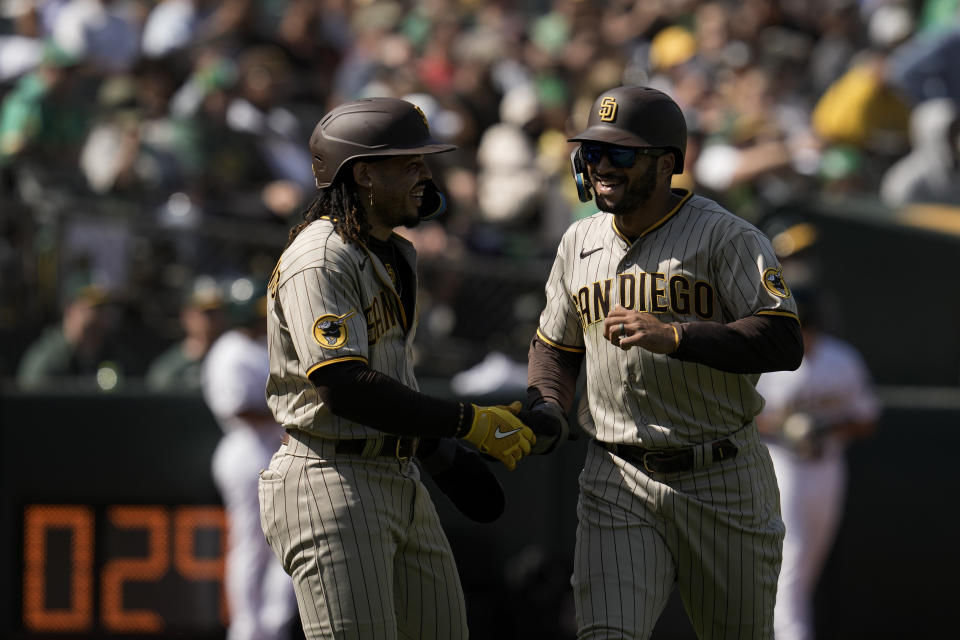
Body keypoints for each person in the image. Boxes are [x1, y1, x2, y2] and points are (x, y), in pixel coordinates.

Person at [520, 85, 804, 639]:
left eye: (621, 153)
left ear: (669, 162)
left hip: (720, 474)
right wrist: (549, 405)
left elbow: (781, 339)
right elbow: (554, 347)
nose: (602, 165)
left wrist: (676, 336)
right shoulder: (577, 241)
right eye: (592, 152)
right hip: (616, 476)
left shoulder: (726, 236)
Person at [257, 96, 536, 639]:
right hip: (330, 476)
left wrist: (439, 452)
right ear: (362, 174)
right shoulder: (320, 257)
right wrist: (465, 421)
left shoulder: (394, 254)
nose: (425, 175)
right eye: (408, 162)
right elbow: (344, 386)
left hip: (398, 475)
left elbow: (391, 378)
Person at [756, 289, 880, 640]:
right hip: (782, 464)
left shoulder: (841, 359)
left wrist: (826, 427)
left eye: (808, 329)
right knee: (791, 556)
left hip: (827, 465)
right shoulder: (766, 362)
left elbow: (868, 419)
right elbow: (743, 419)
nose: (805, 336)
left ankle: (781, 630)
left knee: (810, 559)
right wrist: (784, 427)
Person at [201, 275, 297, 640]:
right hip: (246, 450)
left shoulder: (261, 345)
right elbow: (237, 407)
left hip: (272, 450)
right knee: (250, 545)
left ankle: (272, 624)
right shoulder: (229, 350)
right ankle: (246, 628)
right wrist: (289, 412)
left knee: (285, 543)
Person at [16, 274, 132, 390]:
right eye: (95, 308)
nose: (101, 317)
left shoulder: (115, 356)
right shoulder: (48, 361)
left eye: (105, 308)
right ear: (69, 309)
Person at [145, 276, 226, 392]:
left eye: (217, 311)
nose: (213, 319)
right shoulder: (169, 368)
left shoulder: (233, 357)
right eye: (206, 312)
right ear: (186, 316)